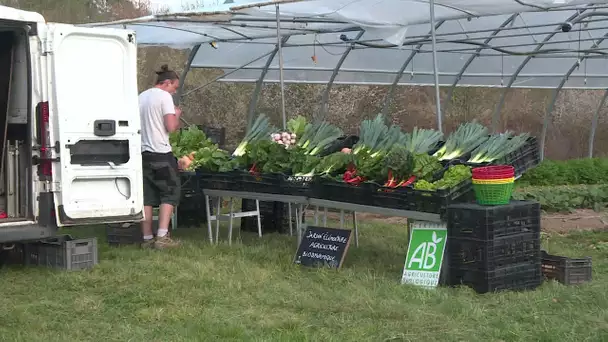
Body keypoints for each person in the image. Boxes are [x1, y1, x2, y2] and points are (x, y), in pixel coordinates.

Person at [138, 64, 182, 249]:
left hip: (142, 153)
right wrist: (177, 115)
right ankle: (162, 237)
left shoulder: (141, 97)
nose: (174, 92)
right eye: (174, 87)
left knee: (146, 197)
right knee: (169, 193)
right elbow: (170, 127)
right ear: (167, 83)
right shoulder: (164, 97)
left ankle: (147, 238)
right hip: (161, 153)